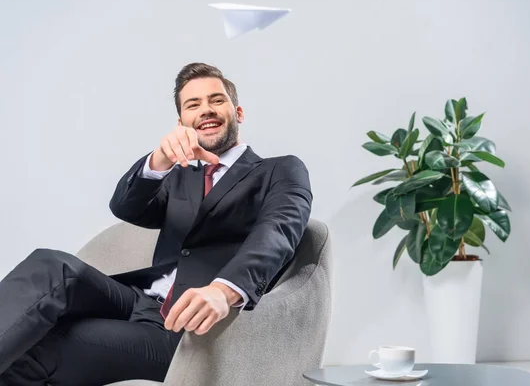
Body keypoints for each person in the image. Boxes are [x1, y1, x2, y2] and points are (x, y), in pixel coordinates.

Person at [0, 63, 312, 386]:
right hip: (136, 300)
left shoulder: (280, 170)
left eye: (216, 100)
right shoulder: (180, 176)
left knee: (40, 344)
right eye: (193, 105)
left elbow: (278, 231)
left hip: (185, 330)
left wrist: (223, 291)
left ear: (239, 112)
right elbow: (125, 206)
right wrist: (158, 160)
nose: (205, 109)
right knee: (51, 264)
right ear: (181, 123)